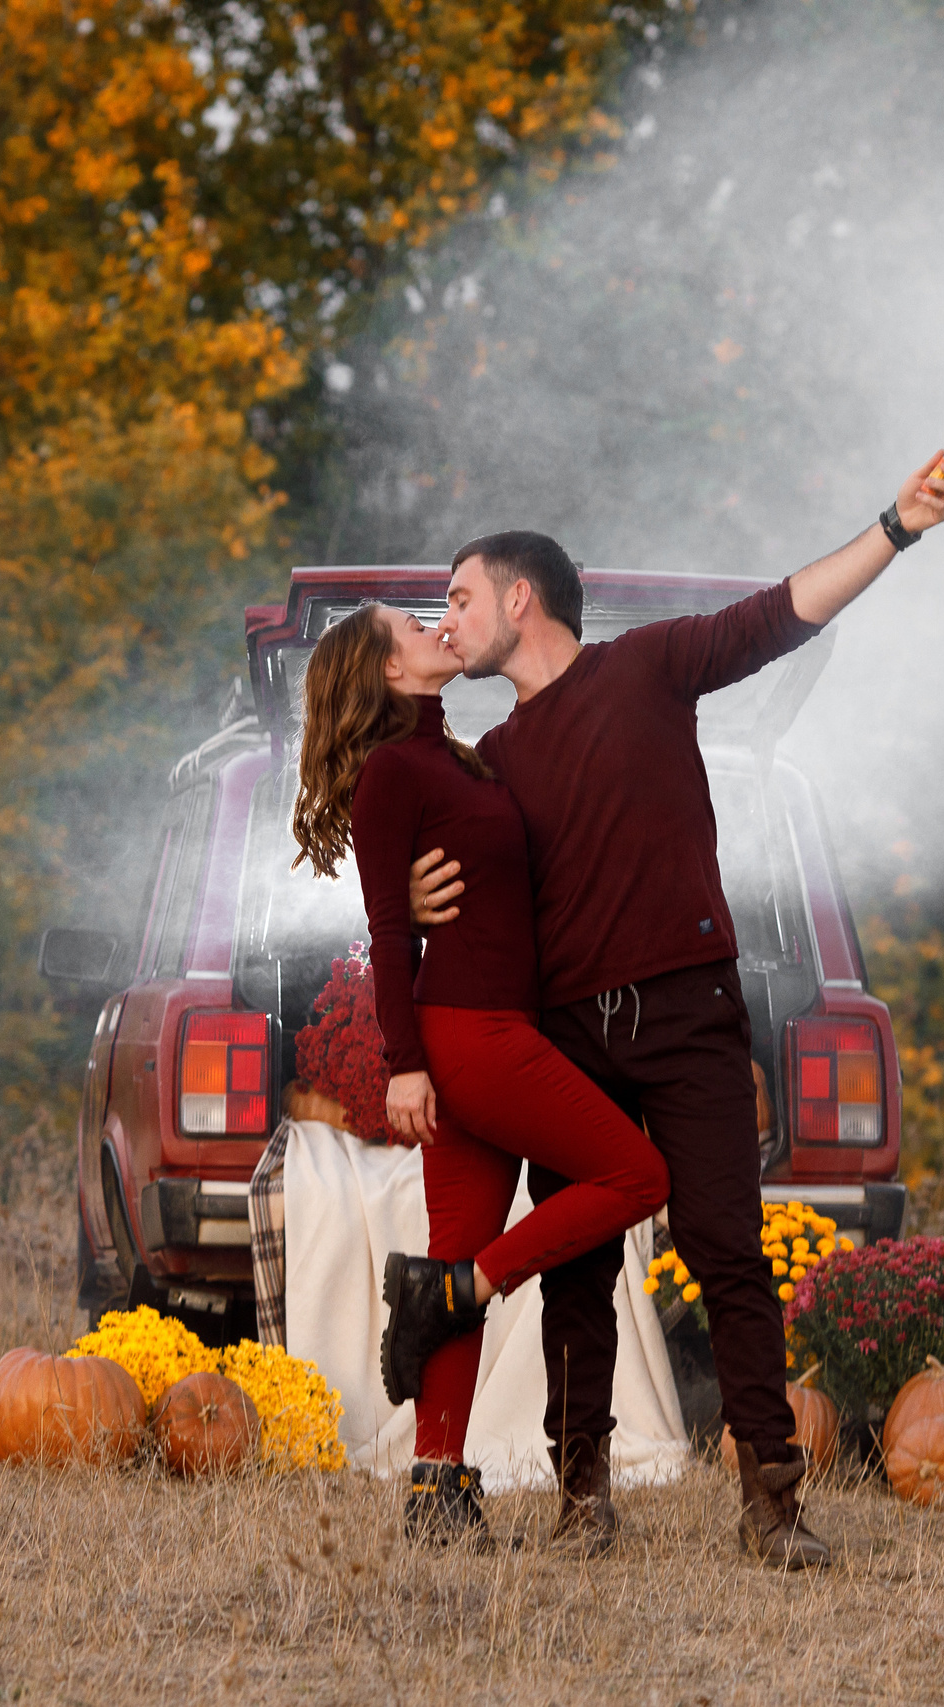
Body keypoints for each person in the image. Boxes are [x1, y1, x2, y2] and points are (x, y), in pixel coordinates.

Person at [410, 449, 944, 1569]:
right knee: (577, 1272)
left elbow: (783, 613)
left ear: (521, 598)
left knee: (728, 1252)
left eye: (460, 597)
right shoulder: (491, 762)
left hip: (689, 1014)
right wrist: (423, 898)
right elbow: (451, 893)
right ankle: (582, 1507)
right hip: (563, 1037)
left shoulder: (650, 667)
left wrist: (896, 527)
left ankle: (773, 1508)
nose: (448, 620)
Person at [288, 601, 670, 1551]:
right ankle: (474, 1286)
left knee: (453, 1246)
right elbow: (385, 931)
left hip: (496, 1024)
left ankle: (437, 1486)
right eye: (412, 627)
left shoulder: (456, 754)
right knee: (639, 1177)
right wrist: (404, 1067)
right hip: (471, 1034)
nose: (433, 628)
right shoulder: (390, 771)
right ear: (386, 670)